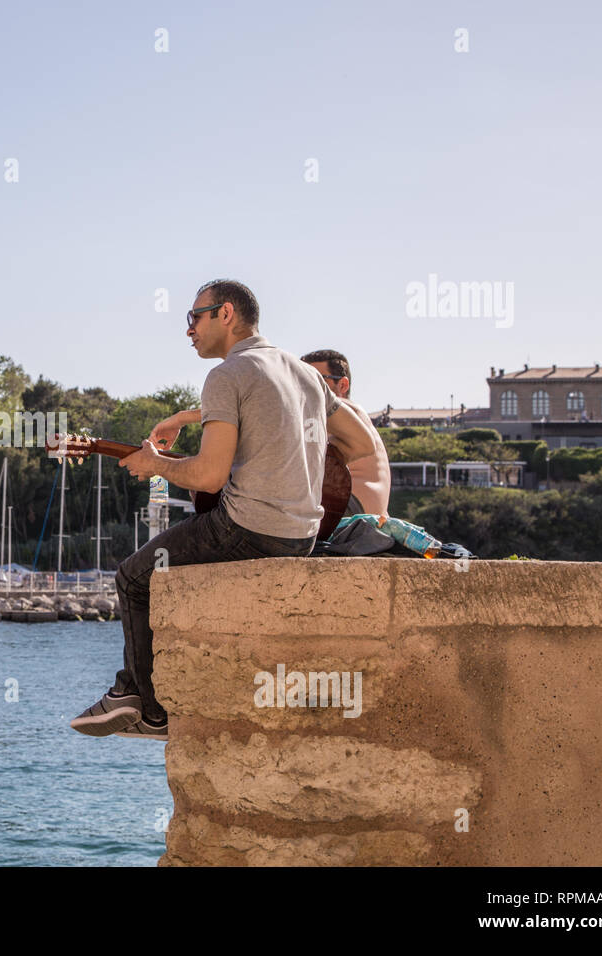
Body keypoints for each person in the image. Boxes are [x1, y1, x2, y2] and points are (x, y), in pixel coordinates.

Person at [69, 280, 380, 742]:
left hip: (247, 527)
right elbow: (359, 443)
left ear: (226, 314)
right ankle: (136, 697)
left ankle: (146, 706)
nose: (189, 330)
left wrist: (154, 465)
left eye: (195, 317)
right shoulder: (304, 373)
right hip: (303, 535)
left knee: (133, 577)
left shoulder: (227, 375)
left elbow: (210, 477)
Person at [301, 349, 391, 517]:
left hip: (350, 506)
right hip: (366, 510)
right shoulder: (356, 417)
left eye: (316, 381)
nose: (305, 388)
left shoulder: (342, 408)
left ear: (342, 385)